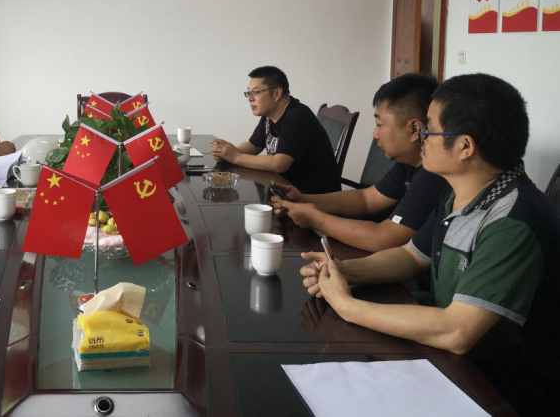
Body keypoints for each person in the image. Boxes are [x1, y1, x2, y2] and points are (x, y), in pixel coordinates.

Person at [300, 73, 560, 416]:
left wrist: (347, 305)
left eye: (431, 130)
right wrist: (344, 270)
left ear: (465, 147)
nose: (421, 136)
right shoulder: (460, 193)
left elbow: (457, 332)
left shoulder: (512, 221)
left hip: (505, 387)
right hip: (454, 362)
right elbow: (411, 257)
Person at [272, 73, 449, 252]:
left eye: (380, 125)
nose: (375, 134)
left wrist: (315, 219)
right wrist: (302, 199)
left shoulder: (434, 174)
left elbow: (384, 238)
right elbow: (367, 199)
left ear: (414, 129)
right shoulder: (409, 162)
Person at [210, 66, 340, 194]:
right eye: (248, 93)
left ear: (277, 93)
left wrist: (236, 157)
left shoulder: (297, 117)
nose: (250, 98)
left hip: (312, 197)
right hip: (285, 188)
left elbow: (279, 164)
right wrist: (227, 152)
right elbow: (254, 145)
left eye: (256, 92)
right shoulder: (270, 114)